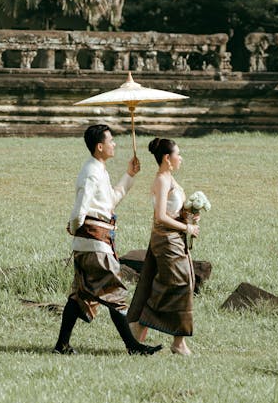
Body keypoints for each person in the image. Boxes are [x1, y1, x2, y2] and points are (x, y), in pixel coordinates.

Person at [53, 124, 163, 356]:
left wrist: (129, 175)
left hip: (94, 242)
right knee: (115, 292)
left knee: (81, 295)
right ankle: (133, 346)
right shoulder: (91, 173)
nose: (114, 144)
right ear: (100, 146)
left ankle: (61, 345)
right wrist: (75, 228)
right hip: (95, 242)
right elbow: (80, 209)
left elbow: (109, 201)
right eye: (111, 141)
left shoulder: (99, 170)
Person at [127, 137, 198, 356]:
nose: (181, 158)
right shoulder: (161, 180)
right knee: (180, 283)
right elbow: (159, 217)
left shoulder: (170, 179)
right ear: (167, 158)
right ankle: (163, 334)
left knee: (185, 282)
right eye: (178, 154)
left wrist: (190, 217)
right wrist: (186, 229)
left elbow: (173, 212)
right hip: (166, 239)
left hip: (175, 239)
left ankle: (172, 338)